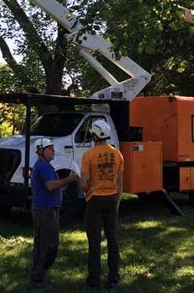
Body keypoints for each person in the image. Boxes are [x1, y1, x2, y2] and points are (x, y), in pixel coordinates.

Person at [81, 120, 124, 289]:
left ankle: (94, 279)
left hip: (95, 201)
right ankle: (113, 277)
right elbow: (120, 182)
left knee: (94, 241)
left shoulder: (88, 155)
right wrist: (117, 200)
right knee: (112, 239)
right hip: (112, 198)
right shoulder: (118, 154)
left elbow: (84, 184)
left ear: (94, 135)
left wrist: (86, 187)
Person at [30, 137, 78, 287]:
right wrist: (69, 179)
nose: (53, 151)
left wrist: (62, 188)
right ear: (41, 151)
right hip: (45, 210)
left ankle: (40, 273)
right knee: (46, 244)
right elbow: (50, 186)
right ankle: (38, 277)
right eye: (50, 149)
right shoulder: (43, 166)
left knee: (49, 243)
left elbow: (52, 186)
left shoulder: (45, 166)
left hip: (48, 209)